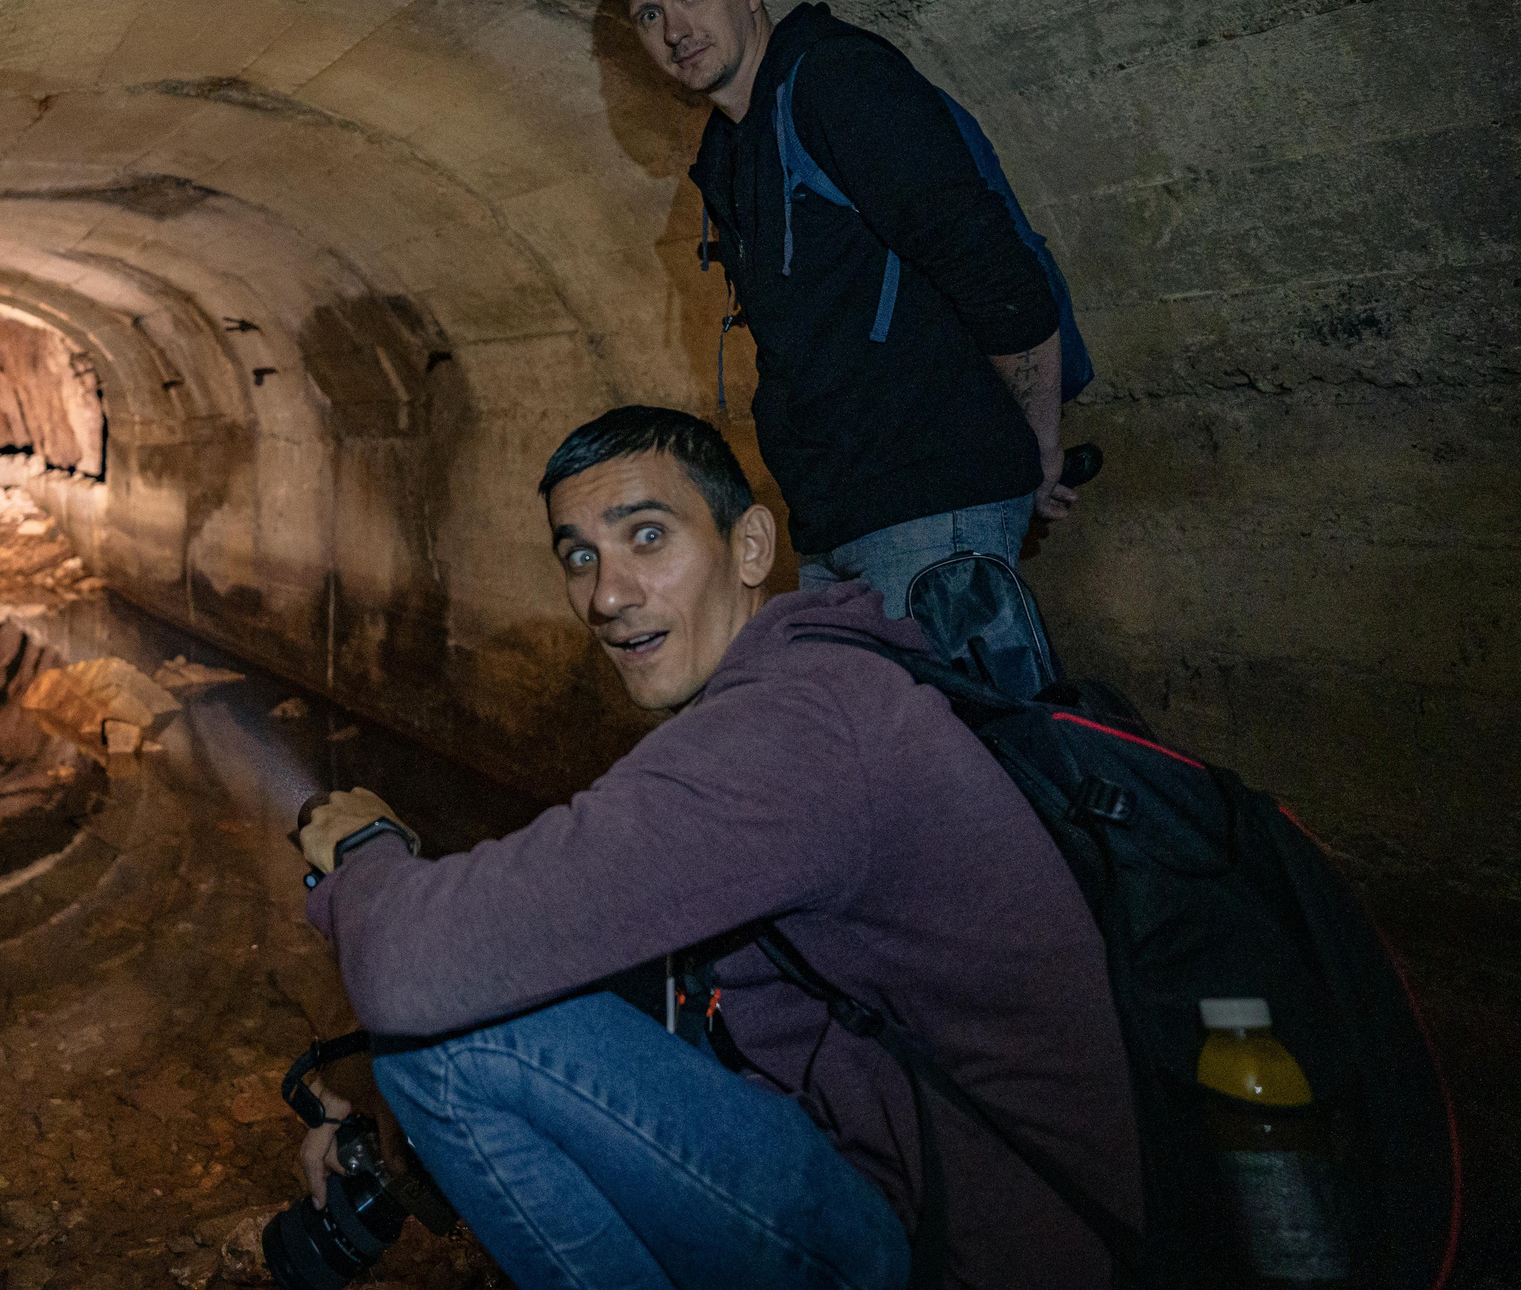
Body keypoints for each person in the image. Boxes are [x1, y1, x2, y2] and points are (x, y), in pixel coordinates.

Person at [290, 405, 1138, 1290]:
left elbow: (410, 968)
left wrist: (366, 850)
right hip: (904, 1172)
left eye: (647, 536)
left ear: (751, 547)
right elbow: (624, 976)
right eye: (580, 555)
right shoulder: (805, 677)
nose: (607, 595)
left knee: (448, 1041)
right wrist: (396, 1131)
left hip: (975, 1246)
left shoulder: (795, 730)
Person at [616, 0, 1073, 615]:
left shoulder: (838, 82)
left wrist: (1038, 441)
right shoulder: (732, 149)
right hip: (836, 520)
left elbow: (995, 272)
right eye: (648, 14)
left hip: (930, 504)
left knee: (941, 726)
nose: (674, 30)